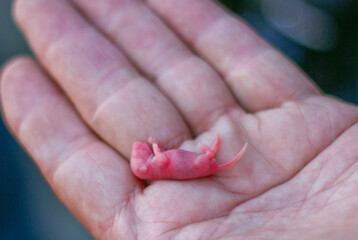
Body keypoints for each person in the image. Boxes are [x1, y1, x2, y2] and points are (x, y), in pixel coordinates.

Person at [1, 0, 358, 239]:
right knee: (208, 158)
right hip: (196, 161)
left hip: (195, 161)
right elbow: (165, 157)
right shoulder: (159, 165)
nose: (139, 155)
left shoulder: (156, 166)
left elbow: (162, 156)